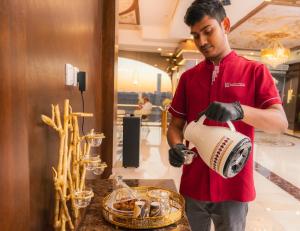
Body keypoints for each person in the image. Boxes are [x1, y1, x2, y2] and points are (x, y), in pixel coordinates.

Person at [167, 1, 288, 231]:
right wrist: (175, 146)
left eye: (208, 31)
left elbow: (280, 123)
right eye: (195, 35)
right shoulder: (188, 78)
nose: (201, 41)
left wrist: (240, 110)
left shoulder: (254, 72)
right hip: (194, 185)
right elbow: (176, 126)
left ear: (226, 25)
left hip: (234, 187)